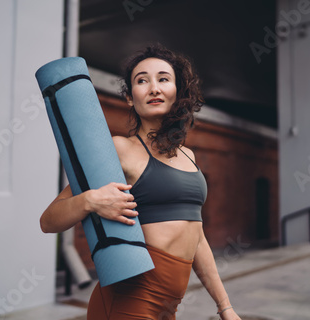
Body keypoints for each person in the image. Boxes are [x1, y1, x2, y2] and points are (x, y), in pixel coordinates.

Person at [40, 45, 241, 320]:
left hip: (169, 305)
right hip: (130, 298)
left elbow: (197, 238)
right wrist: (90, 201)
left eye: (163, 79)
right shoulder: (119, 150)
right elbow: (48, 221)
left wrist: (225, 306)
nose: (154, 88)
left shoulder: (189, 156)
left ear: (178, 92)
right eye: (142, 80)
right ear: (129, 98)